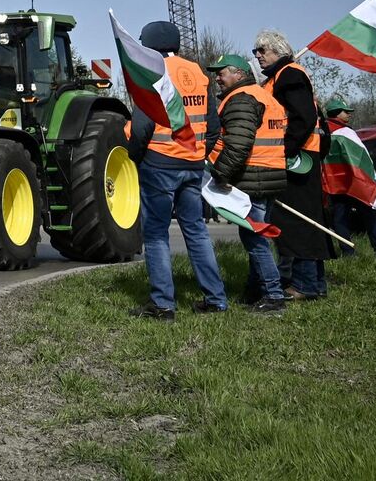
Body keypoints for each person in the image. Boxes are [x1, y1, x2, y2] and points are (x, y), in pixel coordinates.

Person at [129, 22, 229, 319]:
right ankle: (216, 299)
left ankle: (163, 304)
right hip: (192, 164)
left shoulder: (151, 73)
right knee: (196, 230)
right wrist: (198, 154)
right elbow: (213, 127)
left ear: (150, 45)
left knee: (157, 235)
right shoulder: (197, 74)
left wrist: (135, 157)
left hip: (159, 164)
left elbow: (142, 126)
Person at [253, 30, 334, 299]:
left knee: (298, 221)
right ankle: (311, 282)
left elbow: (304, 117)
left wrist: (284, 151)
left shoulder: (289, 74)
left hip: (299, 159)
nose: (257, 55)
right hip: (300, 156)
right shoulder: (281, 76)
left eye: (262, 50)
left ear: (279, 50)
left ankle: (304, 284)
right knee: (303, 219)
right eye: (256, 51)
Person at [205, 56, 290, 311]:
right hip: (270, 174)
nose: (217, 78)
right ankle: (255, 292)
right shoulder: (263, 96)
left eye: (222, 73)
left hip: (254, 177)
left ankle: (274, 295)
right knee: (256, 234)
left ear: (239, 74)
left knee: (254, 239)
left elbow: (239, 145)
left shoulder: (241, 99)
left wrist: (220, 175)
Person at [322, 100, 376, 260]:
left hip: (336, 185)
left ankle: (348, 253)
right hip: (355, 183)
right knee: (369, 216)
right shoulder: (346, 132)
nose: (349, 114)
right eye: (346, 111)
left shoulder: (323, 131)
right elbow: (361, 158)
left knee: (339, 220)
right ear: (337, 113)